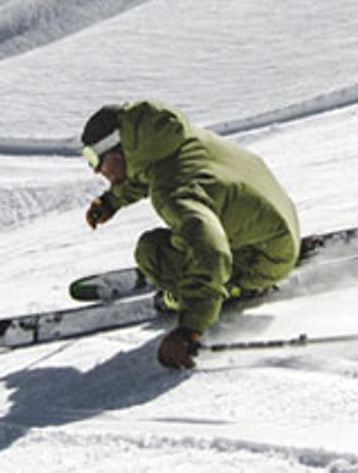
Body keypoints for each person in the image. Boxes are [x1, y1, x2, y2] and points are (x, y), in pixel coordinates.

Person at [80, 100, 300, 369]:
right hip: (277, 228)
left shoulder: (172, 190)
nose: (95, 170)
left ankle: (230, 289)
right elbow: (148, 172)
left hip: (263, 258)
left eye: (94, 159)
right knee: (184, 233)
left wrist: (190, 329)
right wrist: (112, 201)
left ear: (115, 151)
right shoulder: (175, 140)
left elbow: (211, 251)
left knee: (151, 251)